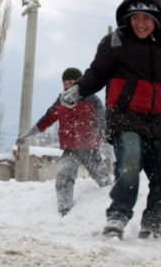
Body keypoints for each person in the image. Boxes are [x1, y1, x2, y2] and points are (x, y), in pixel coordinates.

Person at [59, 0, 161, 240]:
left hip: (156, 121)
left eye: (147, 18)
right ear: (128, 17)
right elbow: (96, 73)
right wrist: (79, 89)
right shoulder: (115, 42)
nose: (140, 23)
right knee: (129, 163)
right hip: (124, 118)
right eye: (135, 17)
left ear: (158, 19)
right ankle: (117, 217)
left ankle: (154, 222)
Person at [16, 67, 112, 216]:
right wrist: (27, 135)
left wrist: (104, 140)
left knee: (103, 180)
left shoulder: (92, 99)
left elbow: (103, 120)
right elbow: (46, 120)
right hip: (71, 149)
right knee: (63, 177)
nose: (68, 86)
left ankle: (108, 205)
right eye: (65, 83)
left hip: (90, 149)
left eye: (72, 82)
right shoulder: (61, 102)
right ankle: (64, 211)